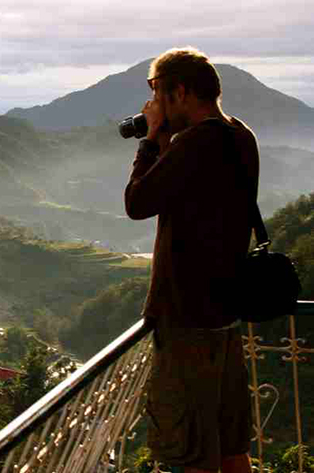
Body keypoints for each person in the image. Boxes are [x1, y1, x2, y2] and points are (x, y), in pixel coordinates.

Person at [124, 47, 258, 473]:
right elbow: (200, 200)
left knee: (192, 451)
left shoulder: (197, 142)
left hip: (187, 318)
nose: (155, 105)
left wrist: (149, 142)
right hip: (225, 313)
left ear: (180, 92)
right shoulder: (240, 135)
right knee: (231, 445)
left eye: (158, 94)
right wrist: (167, 143)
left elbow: (138, 201)